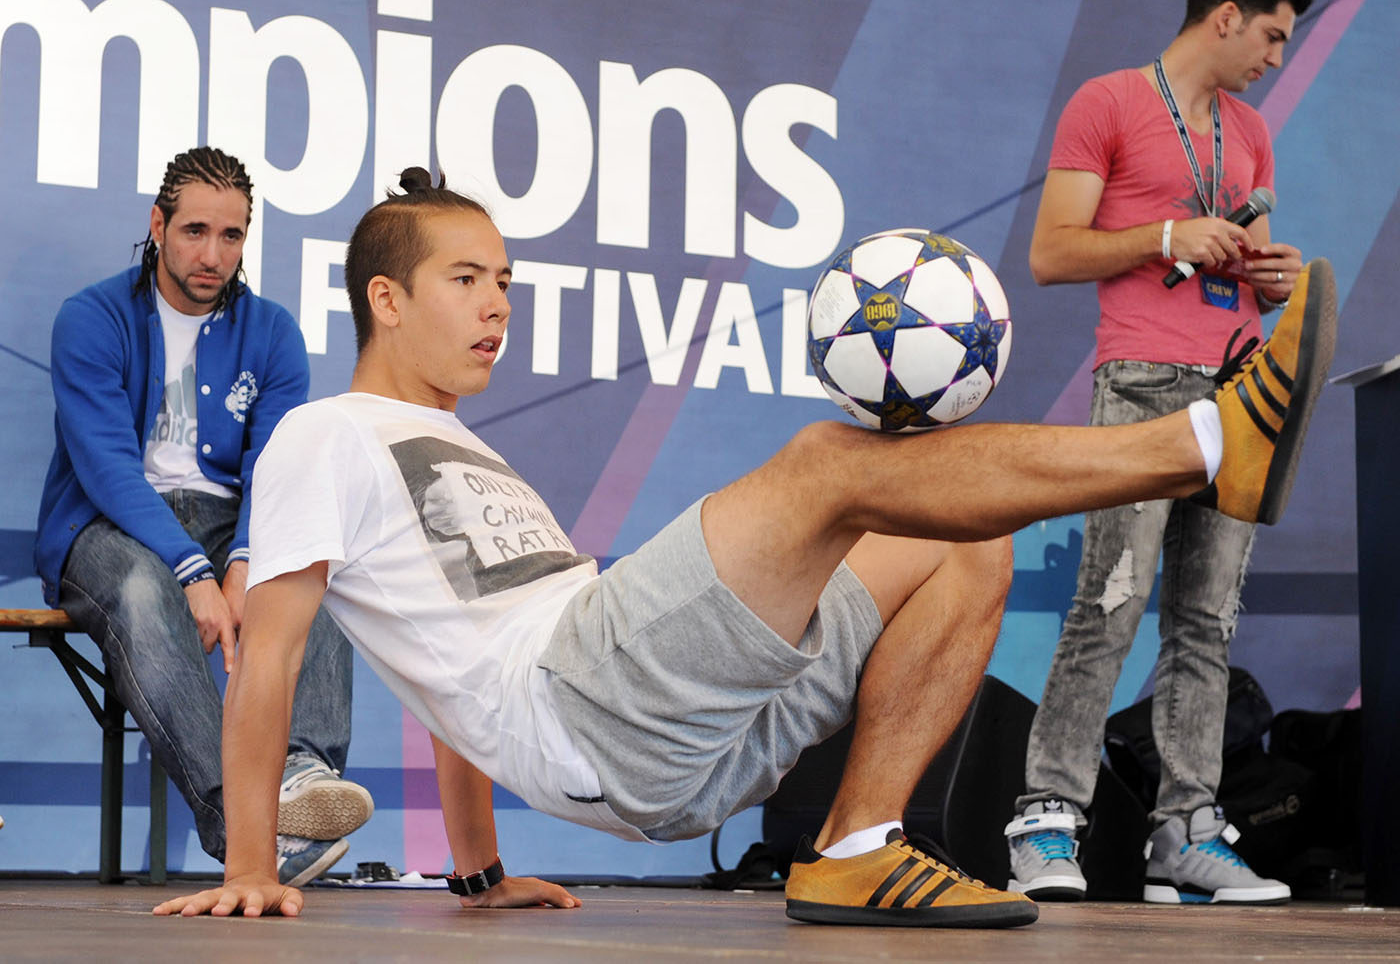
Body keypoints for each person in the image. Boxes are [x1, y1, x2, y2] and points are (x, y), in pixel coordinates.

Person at [154, 165, 1333, 925]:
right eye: (464, 280)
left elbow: (447, 674)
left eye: (504, 280)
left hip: (690, 737)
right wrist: (246, 863)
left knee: (951, 546)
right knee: (829, 464)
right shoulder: (326, 432)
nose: (497, 305)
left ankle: (854, 844)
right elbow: (273, 652)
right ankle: (1201, 442)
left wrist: (476, 866)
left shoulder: (462, 448)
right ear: (385, 301)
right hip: (597, 696)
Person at [1003, 0, 1315, 905]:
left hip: (1239, 388)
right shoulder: (1106, 102)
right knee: (1110, 602)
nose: (1273, 58)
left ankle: (1186, 832)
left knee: (1207, 621)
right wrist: (1166, 236)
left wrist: (1272, 276)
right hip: (1141, 383)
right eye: (1270, 35)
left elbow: (1246, 264)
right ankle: (1047, 822)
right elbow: (1052, 253)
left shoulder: (1252, 133)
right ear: (1225, 16)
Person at [35, 147, 372, 885]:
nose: (212, 253)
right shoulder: (91, 318)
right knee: (142, 590)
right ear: (157, 225)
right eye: (193, 230)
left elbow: (272, 472)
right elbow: (107, 469)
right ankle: (240, 824)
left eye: (232, 235)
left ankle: (301, 781)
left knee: (314, 568)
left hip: (228, 520)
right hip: (106, 523)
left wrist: (250, 560)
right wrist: (194, 571)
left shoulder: (273, 331)